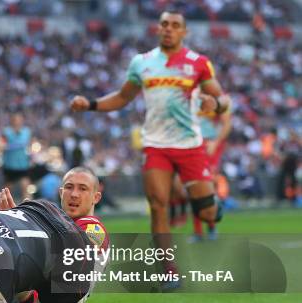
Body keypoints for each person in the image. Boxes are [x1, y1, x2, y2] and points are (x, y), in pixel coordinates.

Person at [70, 10, 229, 280]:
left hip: (190, 145)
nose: (168, 29)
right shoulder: (142, 63)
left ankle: (211, 207)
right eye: (164, 24)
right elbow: (123, 97)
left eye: (175, 25)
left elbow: (222, 100)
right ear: (158, 28)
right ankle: (168, 271)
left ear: (184, 32)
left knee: (207, 214)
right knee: (157, 205)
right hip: (155, 145)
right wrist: (92, 104)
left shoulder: (198, 63)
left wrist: (215, 104)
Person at [191, 92, 232, 241]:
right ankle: (199, 231)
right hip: (193, 144)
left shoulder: (220, 97)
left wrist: (216, 142)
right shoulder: (189, 95)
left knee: (206, 186)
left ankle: (211, 226)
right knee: (193, 186)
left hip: (210, 144)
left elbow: (227, 123)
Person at [2, 113, 32, 201]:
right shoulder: (6, 132)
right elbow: (3, 145)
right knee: (7, 189)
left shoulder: (27, 132)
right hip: (10, 165)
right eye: (16, 119)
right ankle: (4, 208)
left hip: (23, 165)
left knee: (25, 186)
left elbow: (29, 145)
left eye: (19, 119)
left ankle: (28, 208)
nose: (18, 122)